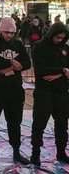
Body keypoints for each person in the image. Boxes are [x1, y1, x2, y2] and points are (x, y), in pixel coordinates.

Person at [0, 17, 31, 166]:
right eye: (7, 32)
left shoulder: (18, 45)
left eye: (12, 33)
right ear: (0, 30)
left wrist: (16, 66)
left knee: (15, 122)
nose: (9, 35)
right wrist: (11, 63)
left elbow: (27, 63)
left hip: (15, 89)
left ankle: (16, 151)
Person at [30, 22, 69, 166]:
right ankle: (35, 153)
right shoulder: (39, 47)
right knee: (39, 124)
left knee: (62, 124)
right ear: (52, 34)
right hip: (44, 92)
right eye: (57, 37)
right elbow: (40, 69)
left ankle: (61, 152)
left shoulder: (65, 49)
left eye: (62, 38)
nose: (59, 40)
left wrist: (60, 73)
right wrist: (63, 71)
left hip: (62, 92)